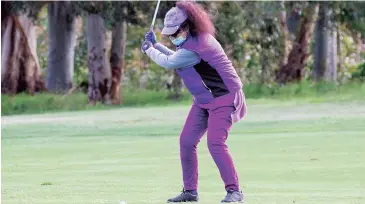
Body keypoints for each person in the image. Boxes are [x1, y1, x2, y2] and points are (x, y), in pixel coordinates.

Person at [141, 1, 247, 203]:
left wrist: (149, 49)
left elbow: (170, 62)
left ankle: (235, 192)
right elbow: (176, 56)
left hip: (224, 97)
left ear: (188, 26)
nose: (173, 37)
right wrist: (156, 45)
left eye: (175, 32)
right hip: (203, 100)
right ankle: (190, 192)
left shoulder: (201, 43)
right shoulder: (189, 44)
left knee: (215, 143)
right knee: (187, 142)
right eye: (170, 35)